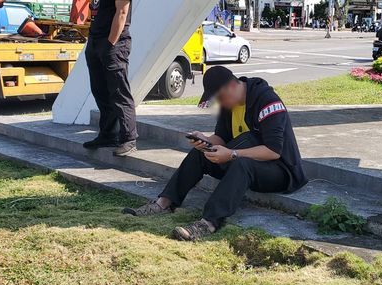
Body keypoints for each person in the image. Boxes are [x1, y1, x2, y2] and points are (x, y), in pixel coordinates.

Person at [123, 66, 308, 241]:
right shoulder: (229, 104)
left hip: (281, 171)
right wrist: (204, 141)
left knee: (243, 163)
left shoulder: (267, 101)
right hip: (242, 161)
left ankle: (209, 223)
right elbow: (221, 138)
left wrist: (233, 154)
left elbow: (273, 151)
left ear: (233, 86)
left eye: (220, 97)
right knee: (200, 153)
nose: (219, 103)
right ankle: (164, 203)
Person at [83, 0, 138, 157]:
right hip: (95, 40)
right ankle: (108, 135)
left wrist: (110, 43)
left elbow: (121, 12)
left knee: (119, 92)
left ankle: (129, 139)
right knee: (100, 91)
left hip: (113, 43)